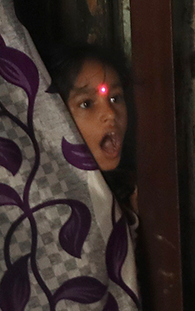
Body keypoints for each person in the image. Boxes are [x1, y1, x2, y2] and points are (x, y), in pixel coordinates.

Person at [48, 43, 136, 209]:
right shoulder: (48, 204)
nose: (110, 114)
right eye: (87, 104)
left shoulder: (132, 192)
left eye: (115, 98)